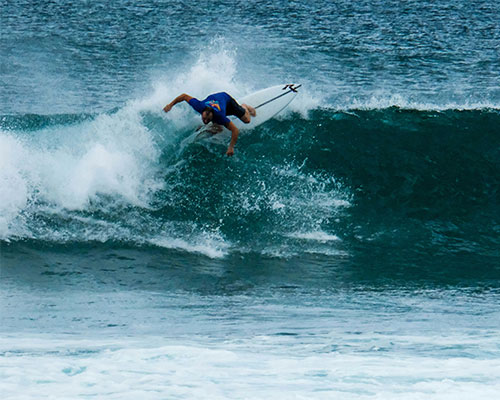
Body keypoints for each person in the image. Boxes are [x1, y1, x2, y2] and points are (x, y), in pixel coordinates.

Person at [163, 92, 256, 156]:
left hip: (226, 100)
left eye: (208, 119)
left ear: (213, 115)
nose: (206, 121)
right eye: (204, 119)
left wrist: (231, 147)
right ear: (202, 112)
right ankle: (213, 126)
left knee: (247, 120)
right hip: (217, 102)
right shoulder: (199, 106)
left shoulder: (219, 117)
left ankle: (245, 106)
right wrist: (170, 105)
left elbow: (235, 130)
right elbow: (184, 96)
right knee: (217, 129)